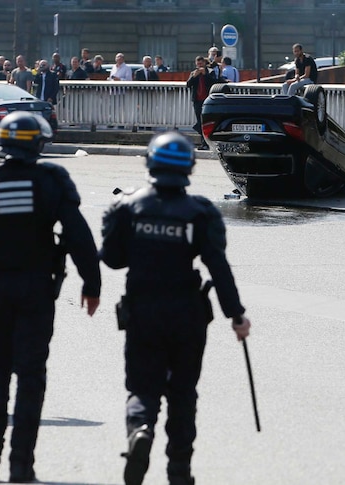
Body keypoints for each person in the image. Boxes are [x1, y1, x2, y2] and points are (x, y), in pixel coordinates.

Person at [0, 112, 101, 483]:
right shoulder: (52, 179)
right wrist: (92, 283)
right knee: (31, 374)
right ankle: (21, 464)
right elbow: (78, 235)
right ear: (38, 144)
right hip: (37, 287)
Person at [100, 132, 251, 485]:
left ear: (150, 162)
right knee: (183, 394)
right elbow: (218, 266)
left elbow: (111, 259)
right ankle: (179, 473)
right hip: (188, 315)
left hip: (142, 311)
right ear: (189, 168)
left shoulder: (127, 206)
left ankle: (140, 429)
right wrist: (236, 315)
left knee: (142, 387)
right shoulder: (200, 212)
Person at [186, 56, 217, 150]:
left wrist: (205, 75)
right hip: (197, 100)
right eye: (198, 64)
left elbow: (213, 82)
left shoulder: (210, 71)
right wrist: (194, 76)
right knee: (199, 122)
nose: (199, 66)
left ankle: (206, 143)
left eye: (201, 64)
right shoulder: (193, 73)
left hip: (207, 100)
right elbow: (188, 85)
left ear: (204, 63)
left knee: (206, 122)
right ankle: (204, 143)